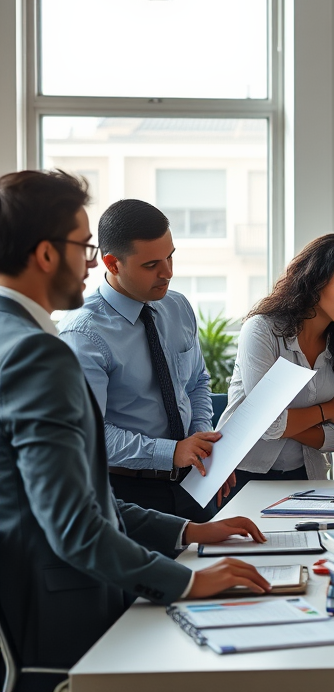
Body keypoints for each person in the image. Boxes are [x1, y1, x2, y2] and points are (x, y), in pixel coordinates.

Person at [0, 170, 270, 675]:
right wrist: (188, 582)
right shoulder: (39, 352)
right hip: (53, 609)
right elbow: (75, 526)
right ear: (45, 254)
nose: (86, 261)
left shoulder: (11, 338)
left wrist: (187, 530)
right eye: (82, 246)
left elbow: (75, 496)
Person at [59, 200, 232, 521]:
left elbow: (196, 383)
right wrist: (171, 452)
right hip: (126, 494)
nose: (167, 272)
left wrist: (201, 443)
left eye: (170, 257)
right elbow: (89, 435)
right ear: (112, 264)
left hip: (194, 485)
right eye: (151, 265)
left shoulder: (178, 307)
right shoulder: (83, 334)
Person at [224, 234, 334, 493]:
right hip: (239, 475)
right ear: (316, 279)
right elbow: (267, 424)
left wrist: (277, 421)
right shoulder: (261, 330)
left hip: (307, 477)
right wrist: (327, 411)